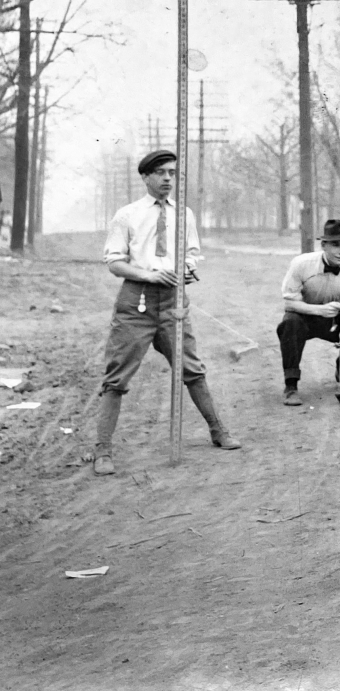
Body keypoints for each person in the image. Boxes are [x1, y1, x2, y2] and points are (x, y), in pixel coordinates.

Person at [95, 149, 241, 477]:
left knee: (191, 368)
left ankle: (218, 430)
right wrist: (148, 275)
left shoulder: (183, 214)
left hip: (174, 301)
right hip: (137, 303)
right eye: (160, 173)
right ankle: (103, 449)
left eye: (172, 173)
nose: (167, 179)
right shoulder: (127, 215)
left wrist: (188, 269)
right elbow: (114, 261)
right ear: (145, 177)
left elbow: (191, 252)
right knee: (117, 376)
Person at [277, 219, 340, 406]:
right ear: (324, 245)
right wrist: (318, 310)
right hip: (303, 317)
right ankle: (291, 386)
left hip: (333, 319)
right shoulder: (301, 264)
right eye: (336, 245)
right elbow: (289, 302)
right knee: (289, 325)